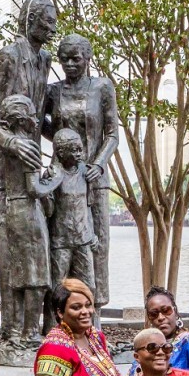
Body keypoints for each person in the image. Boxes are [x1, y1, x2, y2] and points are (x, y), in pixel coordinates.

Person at [0, 0, 55, 340]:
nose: (52, 28)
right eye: (47, 21)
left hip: (30, 168)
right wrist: (11, 142)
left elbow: (42, 118)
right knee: (10, 252)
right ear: (30, 20)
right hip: (1, 171)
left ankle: (33, 332)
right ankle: (11, 332)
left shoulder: (45, 59)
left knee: (35, 254)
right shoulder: (10, 56)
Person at [43, 34, 120, 308]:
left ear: (88, 58)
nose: (69, 64)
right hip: (62, 181)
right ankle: (57, 319)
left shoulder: (102, 87)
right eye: (64, 59)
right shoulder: (53, 91)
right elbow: (39, 123)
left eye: (76, 58)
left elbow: (112, 134)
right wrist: (65, 148)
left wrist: (97, 164)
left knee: (95, 250)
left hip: (95, 179)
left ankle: (94, 318)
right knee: (60, 251)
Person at [0, 94, 51, 342]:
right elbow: (35, 189)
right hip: (29, 211)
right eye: (32, 115)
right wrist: (53, 179)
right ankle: (31, 331)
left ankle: (18, 329)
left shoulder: (9, 147)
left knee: (19, 274)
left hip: (13, 210)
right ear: (24, 118)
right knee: (36, 277)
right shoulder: (28, 146)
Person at [38, 129, 98, 299]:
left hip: (83, 240)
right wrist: (46, 188)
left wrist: (92, 233)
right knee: (57, 291)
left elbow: (88, 206)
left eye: (80, 149)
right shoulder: (53, 174)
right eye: (74, 150)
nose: (79, 153)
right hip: (60, 241)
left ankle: (89, 326)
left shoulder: (85, 172)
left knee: (89, 288)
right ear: (61, 152)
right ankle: (54, 326)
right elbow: (49, 211)